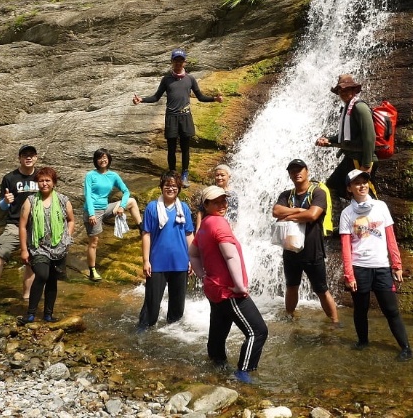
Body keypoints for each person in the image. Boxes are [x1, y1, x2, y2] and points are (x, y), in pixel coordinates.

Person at [190, 186, 268, 384]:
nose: (223, 204)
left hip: (214, 287)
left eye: (224, 200)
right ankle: (243, 372)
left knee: (219, 327)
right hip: (229, 290)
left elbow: (192, 252)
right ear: (205, 204)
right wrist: (240, 286)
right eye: (217, 201)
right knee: (257, 331)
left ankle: (216, 364)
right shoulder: (219, 223)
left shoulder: (206, 223)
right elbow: (230, 254)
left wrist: (202, 275)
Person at [340, 169, 413, 361]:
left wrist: (396, 264)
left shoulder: (380, 206)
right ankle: (363, 342)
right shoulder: (347, 214)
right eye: (357, 183)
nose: (362, 185)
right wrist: (349, 274)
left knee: (391, 310)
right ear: (349, 188)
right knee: (360, 310)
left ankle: (406, 348)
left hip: (381, 267)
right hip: (359, 267)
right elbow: (346, 247)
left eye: (365, 181)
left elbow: (391, 238)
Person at [132, 49, 223, 187]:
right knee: (171, 148)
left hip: (185, 116)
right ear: (172, 62)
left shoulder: (190, 79)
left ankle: (184, 174)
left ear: (184, 62)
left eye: (181, 60)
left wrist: (214, 99)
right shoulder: (166, 79)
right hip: (171, 117)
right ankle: (172, 174)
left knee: (185, 147)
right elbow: (156, 97)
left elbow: (200, 97)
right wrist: (142, 99)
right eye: (176, 60)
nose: (178, 63)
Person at [271, 159, 339, 324]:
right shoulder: (286, 195)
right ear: (289, 175)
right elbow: (275, 211)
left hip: (312, 250)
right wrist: (298, 210)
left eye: (300, 169)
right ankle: (289, 316)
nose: (297, 173)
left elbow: (312, 215)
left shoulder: (318, 192)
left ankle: (335, 321)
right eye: (293, 170)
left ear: (307, 171)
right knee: (291, 286)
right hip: (290, 249)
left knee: (321, 289)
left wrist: (288, 216)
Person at [0, 145, 38, 313]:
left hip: (35, 227)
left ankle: (27, 298)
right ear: (19, 158)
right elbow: (3, 206)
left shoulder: (41, 176)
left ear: (36, 157)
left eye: (31, 155)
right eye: (25, 155)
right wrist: (6, 200)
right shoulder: (10, 178)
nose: (28, 158)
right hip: (14, 225)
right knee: (0, 256)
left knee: (31, 262)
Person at [137, 170, 194, 330]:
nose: (171, 188)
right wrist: (146, 260)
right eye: (168, 185)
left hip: (180, 262)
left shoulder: (184, 208)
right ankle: (142, 331)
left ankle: (172, 335)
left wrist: (193, 259)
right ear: (162, 187)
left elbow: (189, 234)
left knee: (177, 310)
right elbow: (146, 234)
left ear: (179, 188)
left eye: (174, 186)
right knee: (151, 306)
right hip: (157, 263)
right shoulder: (152, 207)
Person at [18, 167, 75, 323]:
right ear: (37, 183)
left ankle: (48, 314)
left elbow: (71, 220)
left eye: (47, 180)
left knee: (52, 280)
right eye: (41, 181)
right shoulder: (30, 201)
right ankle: (30, 313)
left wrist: (67, 237)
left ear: (54, 183)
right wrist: (24, 250)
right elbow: (22, 226)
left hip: (59, 248)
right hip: (38, 248)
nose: (44, 183)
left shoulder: (64, 200)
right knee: (42, 275)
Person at [83, 148, 143, 282]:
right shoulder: (90, 175)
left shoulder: (113, 175)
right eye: (100, 158)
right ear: (96, 161)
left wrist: (121, 206)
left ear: (109, 159)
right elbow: (87, 196)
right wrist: (92, 214)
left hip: (106, 208)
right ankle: (92, 270)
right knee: (94, 242)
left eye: (105, 157)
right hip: (92, 211)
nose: (102, 160)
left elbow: (126, 192)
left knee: (131, 201)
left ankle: (141, 228)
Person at [315, 74, 377, 199]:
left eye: (347, 89)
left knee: (364, 193)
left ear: (354, 90)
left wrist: (366, 165)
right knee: (333, 186)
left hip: (361, 159)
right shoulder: (347, 109)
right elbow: (347, 136)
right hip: (351, 157)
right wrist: (329, 140)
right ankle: (342, 216)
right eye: (340, 90)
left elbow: (370, 137)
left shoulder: (360, 107)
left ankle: (378, 216)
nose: (343, 93)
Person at [194, 163, 239, 231]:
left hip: (224, 228)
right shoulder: (210, 192)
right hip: (209, 226)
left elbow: (234, 216)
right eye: (217, 175)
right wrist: (198, 229)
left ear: (229, 176)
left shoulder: (233, 195)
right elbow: (201, 212)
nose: (219, 178)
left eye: (222, 175)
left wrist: (231, 232)